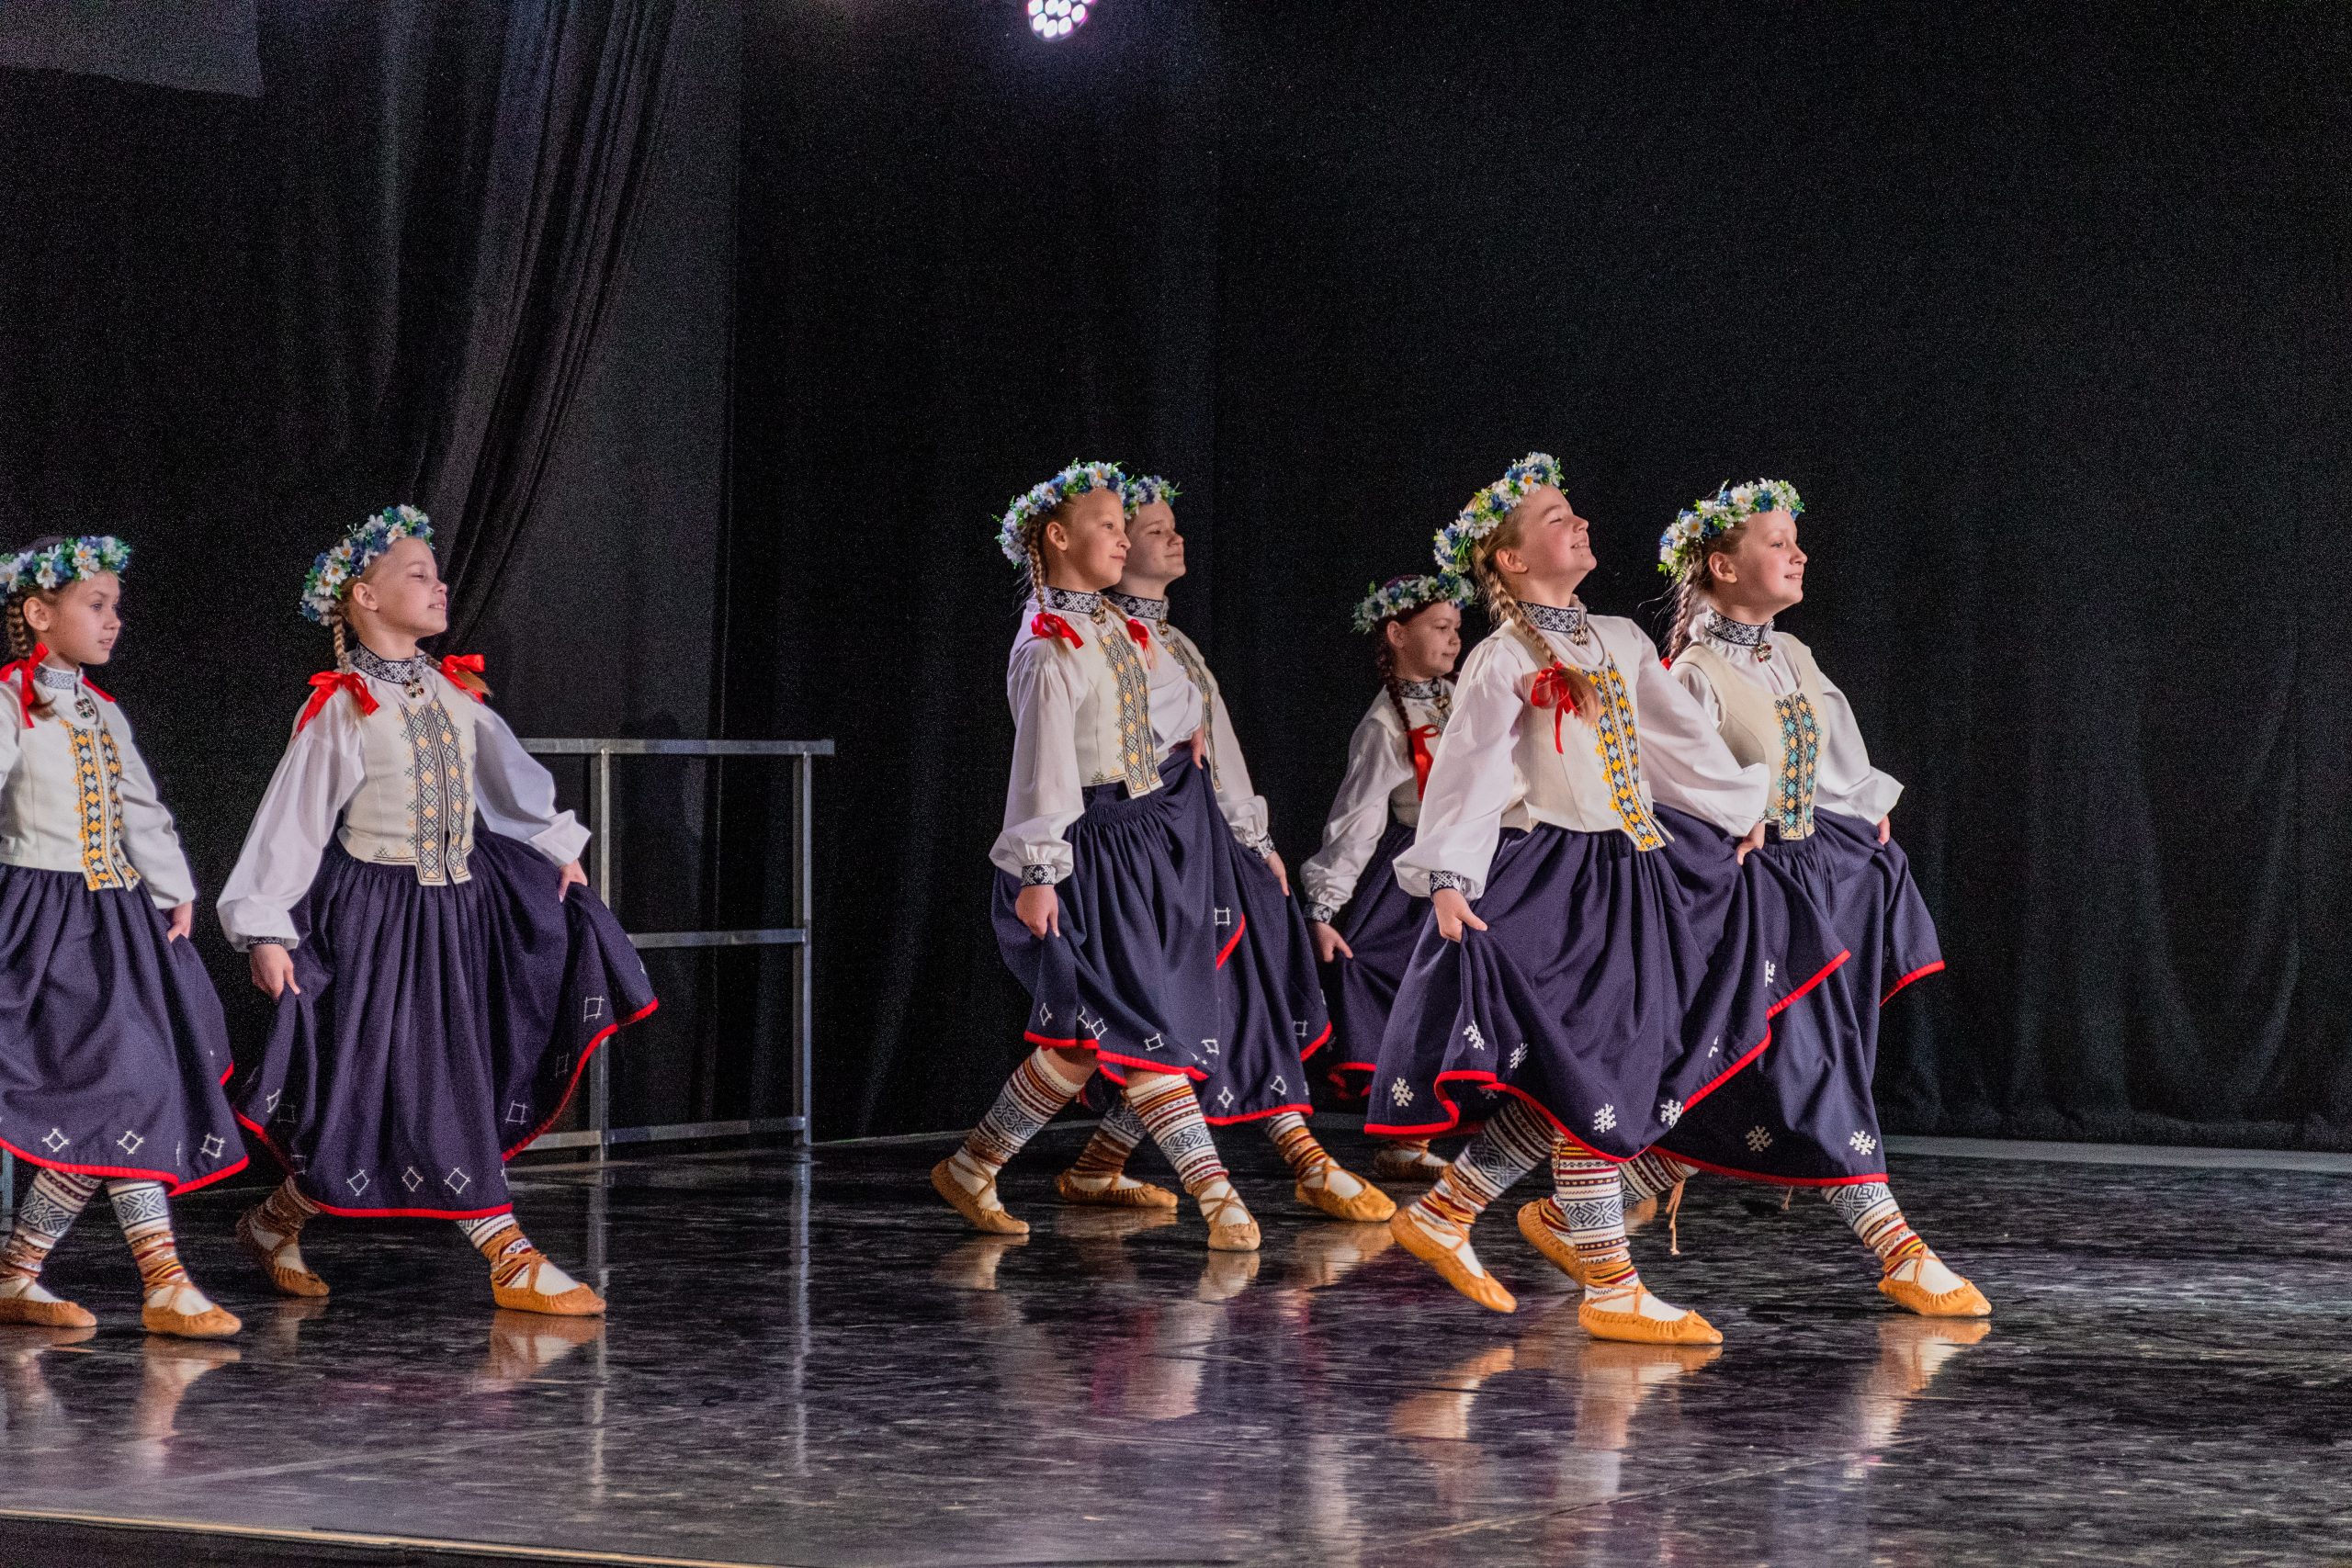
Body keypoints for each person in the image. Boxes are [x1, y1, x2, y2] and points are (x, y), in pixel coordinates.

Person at [1368, 455, 1844, 1340]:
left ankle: (1446, 1210)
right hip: (1555, 878)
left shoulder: (1619, 638)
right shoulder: (1502, 658)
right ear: (1512, 559)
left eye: (1575, 511)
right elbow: (1469, 774)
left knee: (1582, 1071)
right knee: (1592, 1069)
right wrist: (1448, 878)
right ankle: (1610, 1285)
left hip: (1635, 871)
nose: (1579, 522)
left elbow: (1680, 742)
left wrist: (1738, 806)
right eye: (1557, 518)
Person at [219, 505, 656, 1316]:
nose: (439, 584)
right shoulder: (343, 707)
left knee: (403, 1087)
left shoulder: (453, 691)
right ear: (365, 596)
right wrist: (266, 924)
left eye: (438, 572)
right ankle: (509, 1253)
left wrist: (556, 845)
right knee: (408, 1078)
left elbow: (507, 781)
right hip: (378, 920)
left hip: (459, 912)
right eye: (417, 573)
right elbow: (293, 820)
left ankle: (275, 1219)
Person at [1601, 480, 1985, 1317]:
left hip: (1813, 875)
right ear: (1721, 565)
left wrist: (1864, 808)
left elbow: (1830, 751)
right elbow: (1672, 790)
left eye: (1795, 540)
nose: (1799, 554)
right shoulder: (1691, 674)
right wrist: (1729, 836)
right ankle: (1897, 1247)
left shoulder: (1791, 655)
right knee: (1813, 1062)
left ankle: (1595, 1197)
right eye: (1777, 542)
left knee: (1754, 1066)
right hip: (1749, 892)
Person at [933, 463, 1261, 1251]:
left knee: (1084, 1042)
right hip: (1080, 853)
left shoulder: (1114, 625)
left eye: (1122, 527)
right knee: (1137, 1028)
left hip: (1132, 841)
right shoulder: (1049, 647)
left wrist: (1189, 731)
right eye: (1108, 525)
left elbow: (1171, 698)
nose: (1122, 538)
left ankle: (974, 1164)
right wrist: (1039, 873)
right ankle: (1218, 1196)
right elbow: (1043, 769)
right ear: (1057, 535)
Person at [1052, 477, 1391, 1224]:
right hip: (1142, 847)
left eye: (1170, 528)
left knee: (1236, 993)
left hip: (1199, 839)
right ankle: (1286, 1160)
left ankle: (1108, 1163)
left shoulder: (1174, 643)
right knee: (1174, 1009)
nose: (1172, 539)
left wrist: (1252, 836)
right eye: (1152, 530)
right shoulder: (1099, 639)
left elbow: (1220, 747)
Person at [0, 536, 244, 1338]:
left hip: (115, 920)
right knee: (121, 1088)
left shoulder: (103, 710)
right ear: (40, 614)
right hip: (43, 922)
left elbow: (140, 805)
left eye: (116, 607)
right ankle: (163, 1279)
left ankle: (19, 1272)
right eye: (95, 605)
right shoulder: (9, 702)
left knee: (129, 1089)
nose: (113, 620)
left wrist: (173, 888)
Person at [1303, 572, 1472, 1182]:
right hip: (1417, 877)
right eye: (1439, 627)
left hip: (1481, 862)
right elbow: (1357, 822)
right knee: (1414, 994)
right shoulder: (1385, 725)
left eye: (1457, 627)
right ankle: (1406, 1134)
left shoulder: (1467, 695)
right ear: (1397, 634)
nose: (1453, 639)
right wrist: (1323, 909)